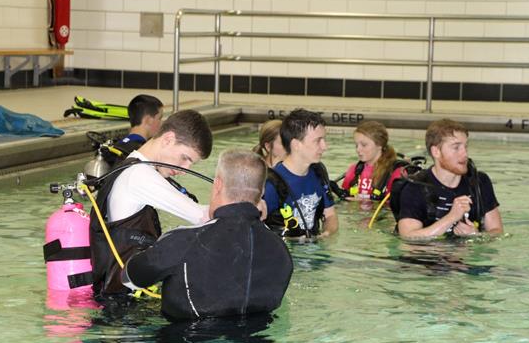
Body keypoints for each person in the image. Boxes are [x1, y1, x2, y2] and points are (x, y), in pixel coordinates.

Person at [120, 149, 293, 321]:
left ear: (217, 184)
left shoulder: (182, 240)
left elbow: (129, 279)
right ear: (261, 192)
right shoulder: (281, 251)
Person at [89, 109, 213, 299]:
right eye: (185, 158)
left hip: (120, 297)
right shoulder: (139, 176)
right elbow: (203, 217)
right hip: (122, 306)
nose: (185, 170)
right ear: (168, 139)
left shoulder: (134, 166)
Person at [391, 119, 503, 239]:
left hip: (466, 256)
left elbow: (497, 232)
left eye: (465, 146)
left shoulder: (479, 183)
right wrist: (452, 217)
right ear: (436, 152)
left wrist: (476, 235)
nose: (464, 154)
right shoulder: (415, 187)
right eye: (456, 148)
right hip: (427, 256)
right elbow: (408, 237)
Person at [262, 109, 338, 239]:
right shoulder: (272, 183)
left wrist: (326, 234)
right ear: (296, 145)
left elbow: (330, 215)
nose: (325, 146)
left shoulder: (318, 172)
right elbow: (255, 226)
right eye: (318, 141)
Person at [339, 121, 406, 202]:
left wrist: (367, 202)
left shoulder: (396, 172)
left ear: (379, 145)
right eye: (356, 145)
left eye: (364, 145)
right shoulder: (354, 170)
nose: (358, 149)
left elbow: (399, 205)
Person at [102, 94, 164, 164]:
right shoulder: (143, 151)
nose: (161, 123)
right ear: (149, 120)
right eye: (159, 118)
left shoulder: (118, 145)